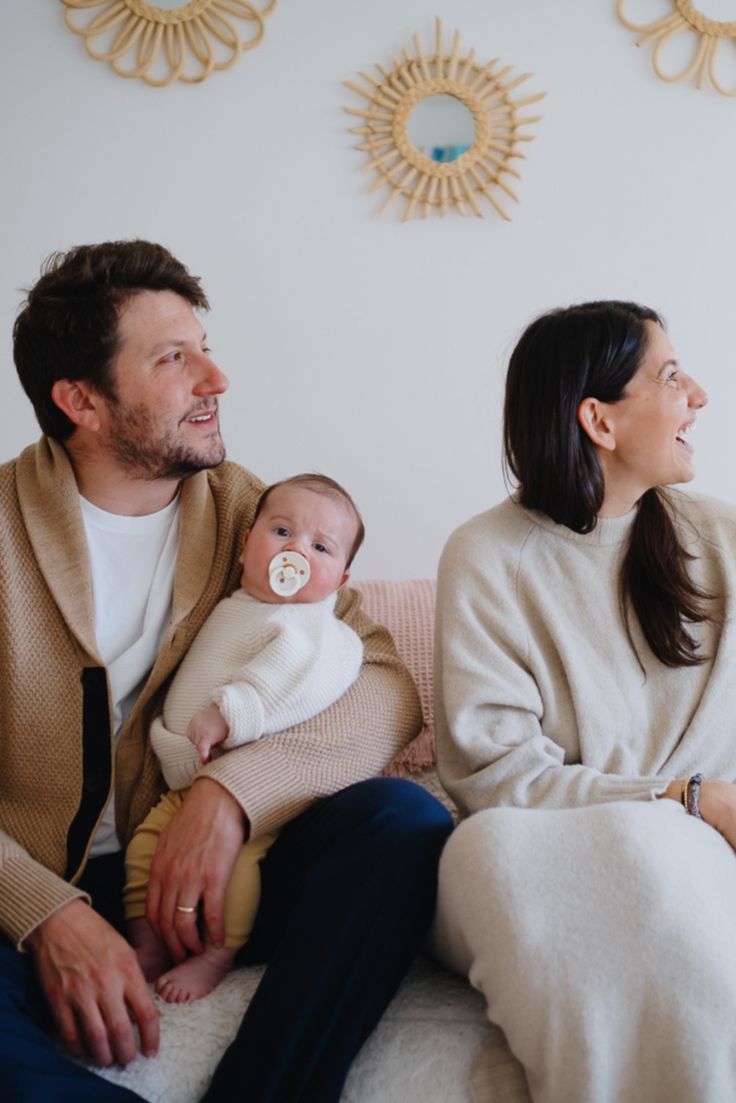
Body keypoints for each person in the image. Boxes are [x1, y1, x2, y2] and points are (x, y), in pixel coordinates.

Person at [0, 239, 453, 1103]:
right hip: (29, 880)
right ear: (81, 401)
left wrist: (234, 794)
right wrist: (43, 912)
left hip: (225, 864)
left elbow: (387, 680)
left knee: (399, 821)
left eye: (203, 345)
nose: (217, 377)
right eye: (175, 358)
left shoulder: (256, 513)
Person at [432, 300, 736, 1103]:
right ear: (598, 419)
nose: (698, 393)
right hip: (551, 840)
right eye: (671, 376)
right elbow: (495, 780)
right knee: (492, 848)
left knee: (659, 859)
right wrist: (687, 800)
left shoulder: (721, 536)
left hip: (706, 849)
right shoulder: (488, 555)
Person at [125, 473, 366, 1003]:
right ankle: (147, 940)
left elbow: (290, 675)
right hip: (183, 784)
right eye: (281, 532)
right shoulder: (233, 604)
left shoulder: (310, 626)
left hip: (253, 790)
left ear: (340, 580)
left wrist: (231, 712)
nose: (295, 551)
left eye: (319, 547)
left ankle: (218, 953)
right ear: (244, 548)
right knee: (144, 852)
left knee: (237, 872)